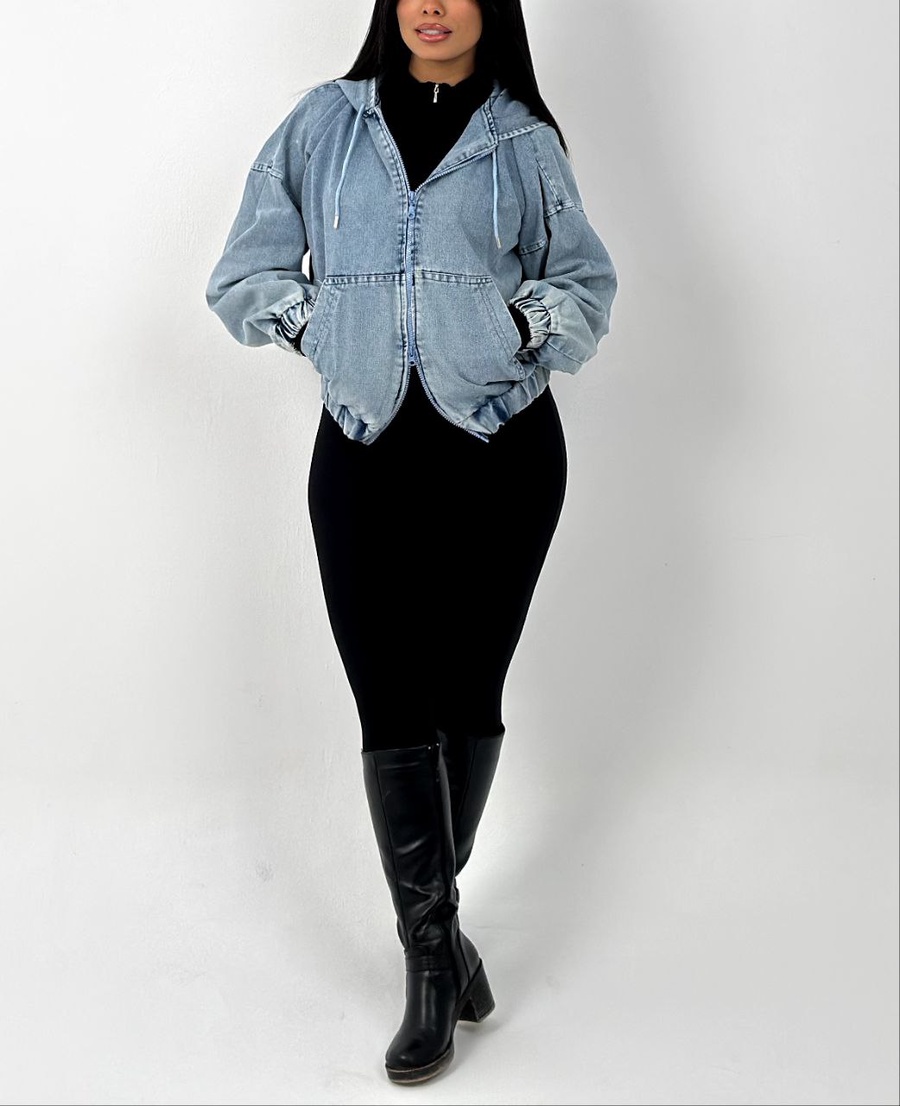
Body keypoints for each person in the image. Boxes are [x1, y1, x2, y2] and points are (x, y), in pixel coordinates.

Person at [206, 0, 617, 1085]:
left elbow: (585, 283)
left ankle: (432, 942)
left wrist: (516, 326)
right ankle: (436, 954)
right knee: (388, 698)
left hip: (503, 451)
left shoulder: (522, 138)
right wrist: (318, 324)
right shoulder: (323, 125)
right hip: (363, 448)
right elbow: (243, 273)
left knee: (465, 692)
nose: (431, 6)